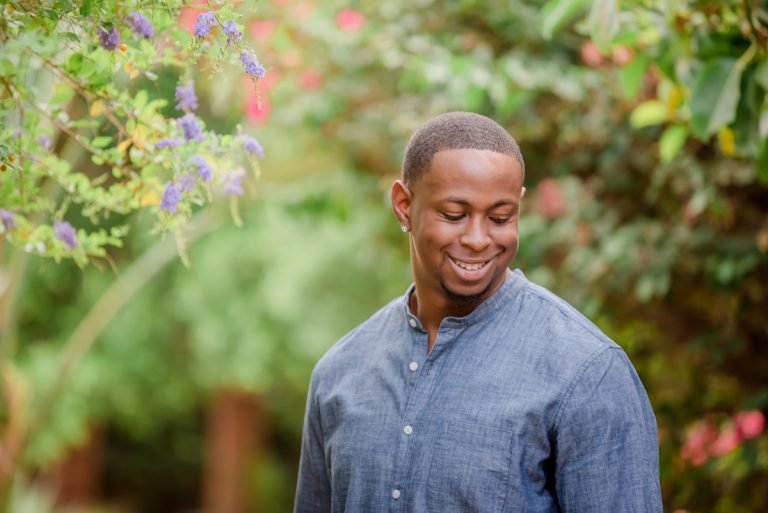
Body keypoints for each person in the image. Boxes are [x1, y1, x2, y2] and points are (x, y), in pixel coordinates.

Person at [293, 112, 663, 513]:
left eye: (500, 218)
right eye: (454, 215)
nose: (477, 239)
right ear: (404, 206)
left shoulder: (588, 374)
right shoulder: (340, 373)